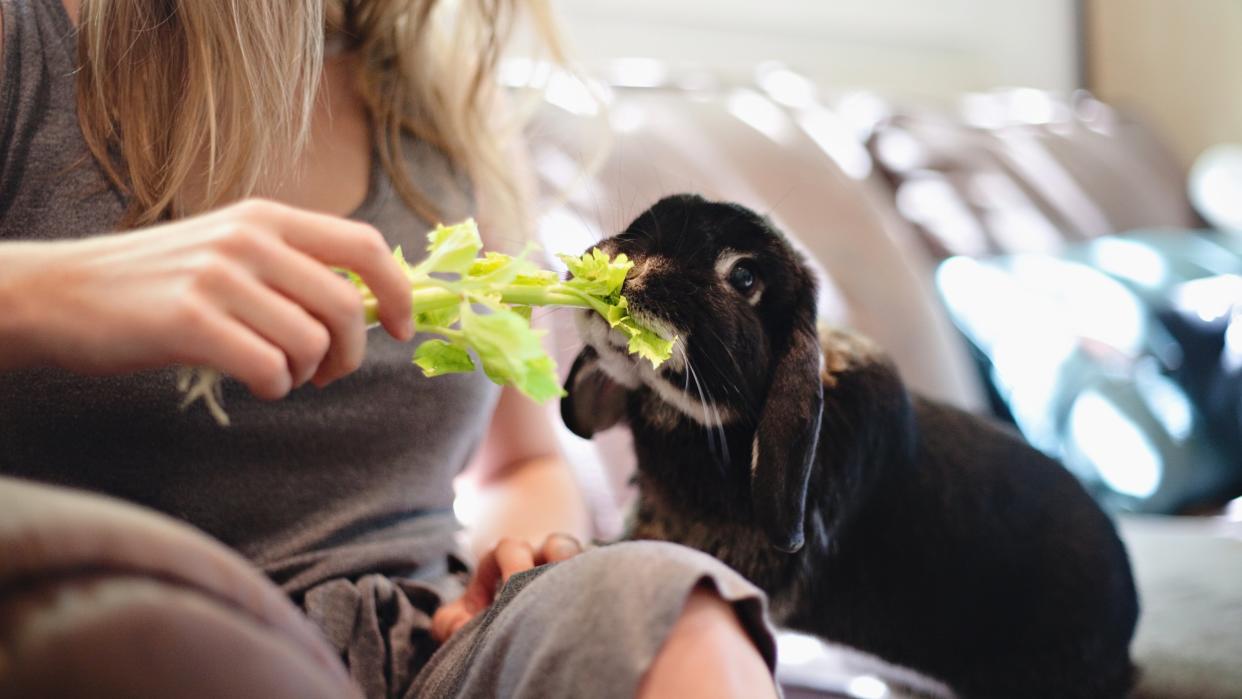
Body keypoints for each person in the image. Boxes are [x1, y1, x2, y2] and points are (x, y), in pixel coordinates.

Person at [0, 1, 779, 697]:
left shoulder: (449, 115)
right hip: (138, 639)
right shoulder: (23, 46)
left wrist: (520, 562)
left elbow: (520, 462)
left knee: (681, 615)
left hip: (430, 650)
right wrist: (50, 289)